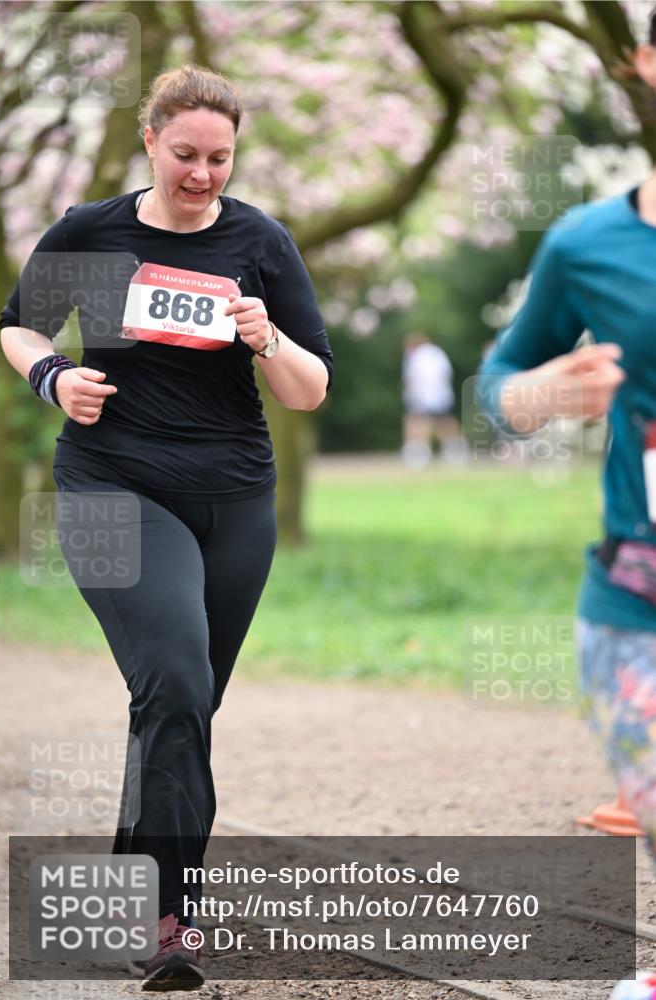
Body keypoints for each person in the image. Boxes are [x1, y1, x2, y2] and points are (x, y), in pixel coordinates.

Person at [0, 65, 333, 992]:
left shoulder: (259, 242)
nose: (202, 174)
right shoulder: (92, 232)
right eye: (185, 154)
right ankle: (168, 921)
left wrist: (266, 338)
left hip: (233, 502)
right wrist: (53, 378)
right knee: (176, 680)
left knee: (183, 708)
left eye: (219, 158)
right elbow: (19, 328)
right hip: (110, 486)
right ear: (149, 142)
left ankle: (136, 888)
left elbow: (311, 388)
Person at [478, 14, 656, 998]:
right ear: (646, 64)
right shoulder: (588, 242)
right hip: (636, 585)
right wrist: (540, 393)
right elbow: (494, 387)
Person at [401, 333, 464, 467]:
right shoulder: (437, 353)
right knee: (445, 423)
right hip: (442, 395)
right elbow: (448, 373)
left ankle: (417, 454)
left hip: (422, 396)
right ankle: (455, 452)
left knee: (416, 424)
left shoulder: (416, 356)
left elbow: (412, 378)